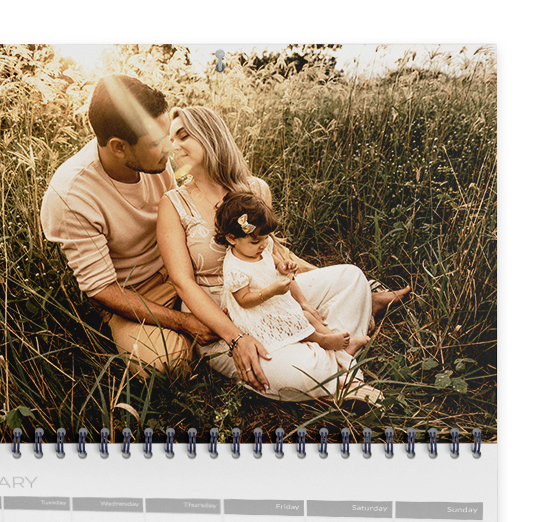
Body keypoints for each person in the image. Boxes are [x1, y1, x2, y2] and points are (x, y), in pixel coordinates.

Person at [156, 105, 410, 401]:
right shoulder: (173, 204)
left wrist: (308, 292)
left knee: (352, 279)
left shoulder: (254, 189)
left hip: (276, 293)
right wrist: (235, 338)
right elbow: (182, 283)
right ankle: (341, 366)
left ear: (209, 136)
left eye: (183, 136)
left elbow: (274, 252)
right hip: (223, 316)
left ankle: (327, 361)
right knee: (296, 372)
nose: (172, 145)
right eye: (170, 138)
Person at [40, 75, 217, 376]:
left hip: (180, 264)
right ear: (119, 147)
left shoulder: (153, 160)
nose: (171, 149)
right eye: (159, 143)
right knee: (167, 365)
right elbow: (102, 290)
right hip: (134, 293)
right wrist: (184, 322)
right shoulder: (71, 195)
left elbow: (179, 216)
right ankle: (190, 334)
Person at [217, 191, 369, 369]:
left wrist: (282, 266)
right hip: (257, 314)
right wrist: (271, 291)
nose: (263, 245)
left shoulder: (260, 247)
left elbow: (271, 260)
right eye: (256, 241)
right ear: (231, 238)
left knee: (305, 316)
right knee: (298, 321)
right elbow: (243, 301)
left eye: (266, 238)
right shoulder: (235, 269)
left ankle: (337, 343)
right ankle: (322, 341)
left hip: (273, 302)